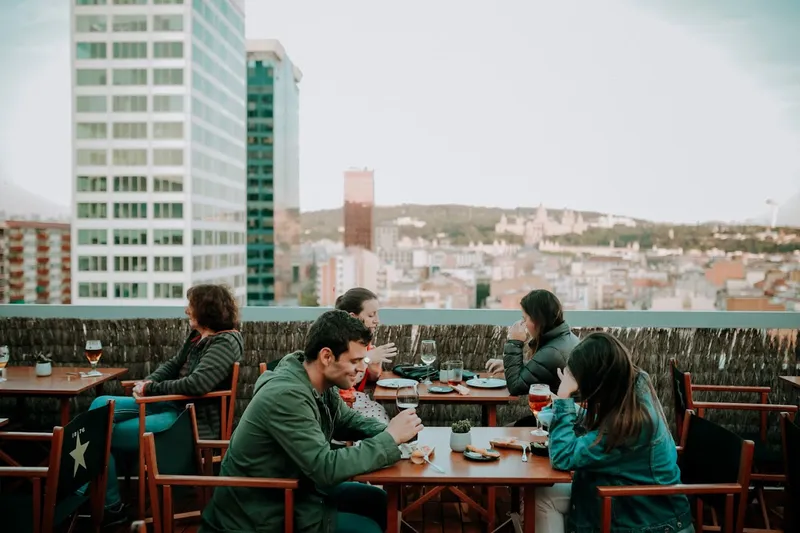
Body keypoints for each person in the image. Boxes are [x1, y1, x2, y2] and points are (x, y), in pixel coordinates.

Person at [200, 310, 423, 533]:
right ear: (326, 357)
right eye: (355, 360)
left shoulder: (316, 382)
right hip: (260, 514)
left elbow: (345, 421)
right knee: (367, 529)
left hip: (299, 492)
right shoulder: (287, 396)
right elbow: (324, 468)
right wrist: (390, 438)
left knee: (377, 500)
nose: (363, 368)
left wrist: (395, 432)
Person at [83, 284, 243, 527]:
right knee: (100, 404)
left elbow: (197, 384)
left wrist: (152, 390)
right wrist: (147, 382)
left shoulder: (225, 343)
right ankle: (99, 498)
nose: (186, 310)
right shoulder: (198, 337)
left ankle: (105, 504)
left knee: (101, 435)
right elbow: (173, 364)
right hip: (169, 406)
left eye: (191, 305)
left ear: (205, 310)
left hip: (187, 421)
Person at [535, 332, 693, 533]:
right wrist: (571, 410)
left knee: (545, 497)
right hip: (627, 494)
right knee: (544, 495)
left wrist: (564, 396)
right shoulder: (634, 384)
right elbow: (602, 426)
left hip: (648, 518)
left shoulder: (629, 425)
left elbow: (562, 457)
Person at [485, 289, 578, 401]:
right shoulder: (564, 338)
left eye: (525, 319)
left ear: (537, 320)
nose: (524, 324)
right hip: (568, 412)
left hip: (560, 416)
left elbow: (515, 386)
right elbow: (542, 369)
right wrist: (507, 365)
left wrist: (515, 342)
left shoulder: (552, 352)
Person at [335, 287, 396, 423]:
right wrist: (367, 359)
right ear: (353, 317)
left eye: (376, 314)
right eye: (371, 315)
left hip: (357, 400)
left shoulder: (364, 343)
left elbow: (370, 378)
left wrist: (374, 367)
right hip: (338, 405)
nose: (377, 320)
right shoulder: (338, 342)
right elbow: (340, 381)